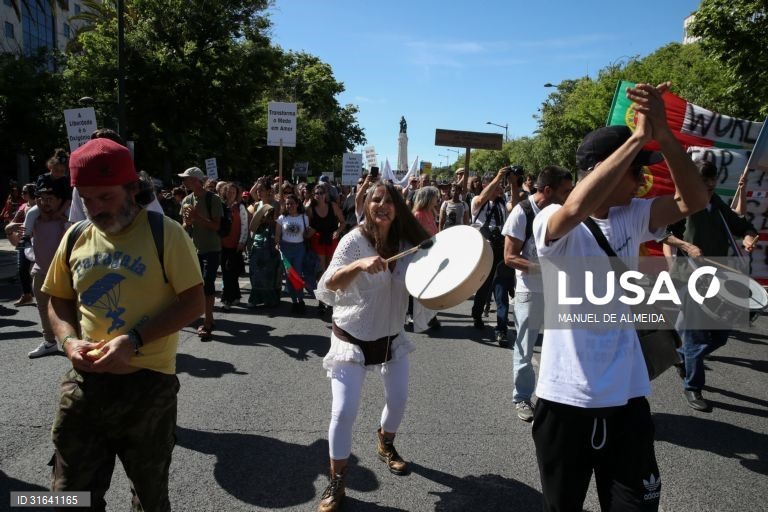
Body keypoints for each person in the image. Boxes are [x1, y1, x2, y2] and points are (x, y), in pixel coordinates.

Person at [531, 82, 708, 511]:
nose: (644, 179)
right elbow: (573, 211)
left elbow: (694, 199)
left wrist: (662, 135)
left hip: (627, 401)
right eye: (636, 168)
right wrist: (635, 137)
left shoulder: (636, 214)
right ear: (602, 171)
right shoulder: (552, 218)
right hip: (563, 402)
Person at [42, 138, 204, 511]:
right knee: (67, 497)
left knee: (150, 498)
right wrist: (68, 342)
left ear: (132, 189)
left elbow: (193, 302)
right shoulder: (75, 236)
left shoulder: (166, 234)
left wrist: (133, 340)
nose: (96, 208)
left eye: (106, 197)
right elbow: (59, 299)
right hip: (85, 385)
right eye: (86, 199)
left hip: (148, 388)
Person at [314, 181, 429, 512]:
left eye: (389, 201)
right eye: (375, 199)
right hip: (351, 337)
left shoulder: (408, 244)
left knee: (399, 400)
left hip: (391, 338)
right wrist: (358, 266)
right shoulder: (353, 241)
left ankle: (386, 443)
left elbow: (436, 276)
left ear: (398, 208)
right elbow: (328, 283)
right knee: (343, 410)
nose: (382, 205)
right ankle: (337, 481)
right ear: (364, 203)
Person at [662, 159, 758, 412]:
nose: (710, 187)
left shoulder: (716, 205)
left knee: (721, 336)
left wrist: (748, 237)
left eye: (713, 182)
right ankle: (693, 386)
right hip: (689, 277)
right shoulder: (680, 204)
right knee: (695, 333)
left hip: (719, 279)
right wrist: (685, 246)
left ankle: (683, 355)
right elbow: (661, 233)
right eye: (705, 183)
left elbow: (743, 225)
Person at [500, 165, 573, 421]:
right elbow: (509, 257)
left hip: (561, 292)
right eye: (565, 191)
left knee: (563, 345)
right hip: (530, 292)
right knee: (525, 348)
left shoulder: (563, 212)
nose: (569, 195)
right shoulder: (523, 211)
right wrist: (544, 269)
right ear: (548, 190)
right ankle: (522, 398)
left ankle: (559, 396)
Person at [25, 175, 70, 358]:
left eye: (50, 199)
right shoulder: (33, 217)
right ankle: (49, 342)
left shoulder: (68, 217)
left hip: (65, 273)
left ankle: (75, 342)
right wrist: (11, 231)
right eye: (42, 199)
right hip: (41, 271)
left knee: (70, 309)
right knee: (43, 308)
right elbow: (22, 243)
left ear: (60, 200)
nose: (45, 203)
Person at [470, 167, 514, 341]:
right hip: (484, 251)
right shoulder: (477, 202)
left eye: (501, 186)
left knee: (501, 290)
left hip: (501, 250)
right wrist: (498, 176)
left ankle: (501, 328)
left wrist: (514, 184)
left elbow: (516, 205)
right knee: (484, 287)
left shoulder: (504, 203)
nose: (499, 188)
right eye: (496, 186)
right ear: (486, 185)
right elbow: (482, 197)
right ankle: (477, 314)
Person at [179, 166, 222, 341]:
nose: (184, 181)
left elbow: (216, 226)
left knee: (208, 282)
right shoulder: (186, 200)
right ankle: (202, 316)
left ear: (197, 181)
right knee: (197, 284)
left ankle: (208, 320)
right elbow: (184, 227)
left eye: (187, 178)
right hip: (194, 248)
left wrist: (197, 217)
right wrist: (188, 222)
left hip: (211, 248)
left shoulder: (213, 199)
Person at [307, 183, 346, 312]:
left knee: (331, 270)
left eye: (321, 193)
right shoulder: (311, 209)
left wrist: (338, 231)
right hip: (318, 240)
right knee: (321, 271)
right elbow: (306, 225)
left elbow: (343, 222)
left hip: (332, 240)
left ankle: (330, 298)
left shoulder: (333, 206)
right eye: (316, 193)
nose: (319, 196)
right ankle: (321, 300)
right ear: (313, 195)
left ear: (326, 195)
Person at [275, 193, 313, 313]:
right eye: (287, 204)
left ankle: (300, 300)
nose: (289, 206)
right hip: (286, 249)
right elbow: (277, 236)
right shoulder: (282, 218)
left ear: (297, 204)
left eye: (292, 203)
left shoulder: (304, 217)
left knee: (297, 276)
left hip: (299, 249)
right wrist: (277, 244)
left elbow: (307, 234)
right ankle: (294, 302)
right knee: (289, 277)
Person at [4, 183, 36, 306]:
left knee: (38, 270)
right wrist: (13, 227)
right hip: (24, 240)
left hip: (37, 240)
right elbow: (14, 221)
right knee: (22, 269)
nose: (22, 194)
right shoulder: (23, 206)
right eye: (22, 192)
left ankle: (44, 295)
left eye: (25, 192)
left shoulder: (40, 206)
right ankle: (27, 295)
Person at [219, 182, 248, 311]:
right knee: (227, 272)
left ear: (237, 194)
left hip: (235, 244)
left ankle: (227, 299)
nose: (230, 194)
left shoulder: (240, 207)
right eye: (228, 191)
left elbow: (244, 226)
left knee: (231, 272)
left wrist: (242, 242)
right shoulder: (221, 206)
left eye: (233, 192)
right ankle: (234, 296)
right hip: (222, 243)